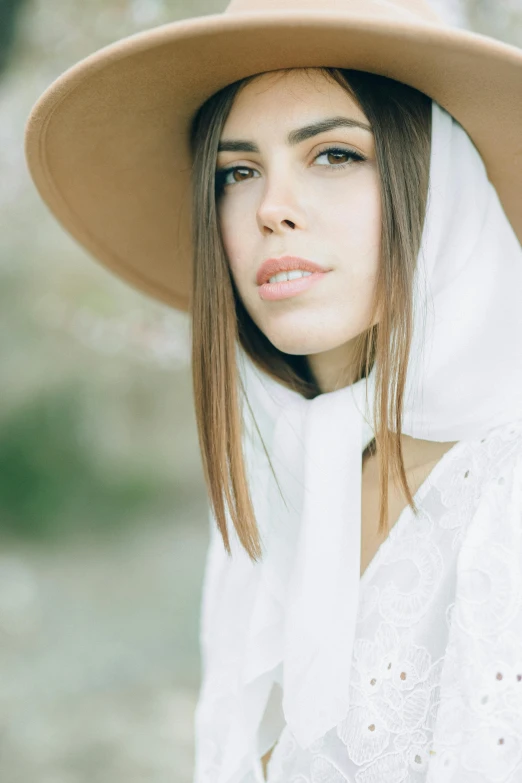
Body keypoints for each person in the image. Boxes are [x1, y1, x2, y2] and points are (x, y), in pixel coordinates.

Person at [23, 0, 522, 780]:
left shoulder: (505, 494)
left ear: (443, 186)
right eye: (238, 172)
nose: (272, 209)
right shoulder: (279, 499)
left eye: (333, 155)